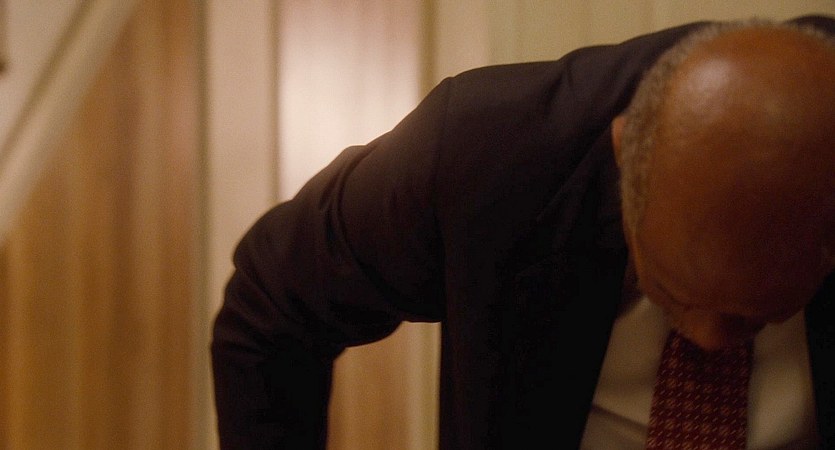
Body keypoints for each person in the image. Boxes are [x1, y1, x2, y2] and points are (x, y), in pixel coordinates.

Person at [211, 15, 835, 449]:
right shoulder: (485, 157)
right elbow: (271, 304)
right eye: (676, 291)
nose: (710, 339)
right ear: (625, 159)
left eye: (761, 314)